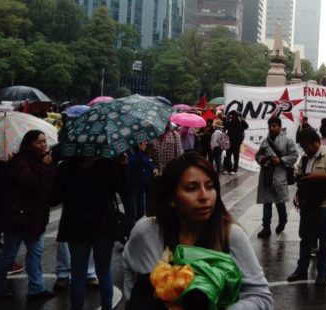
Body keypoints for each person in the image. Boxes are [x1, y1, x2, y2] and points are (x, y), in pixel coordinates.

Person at [122, 152, 273, 308]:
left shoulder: (230, 235)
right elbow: (134, 291)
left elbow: (260, 297)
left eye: (210, 187)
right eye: (191, 188)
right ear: (171, 198)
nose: (204, 196)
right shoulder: (147, 235)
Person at [0, 130, 56, 302]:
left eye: (44, 141)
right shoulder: (19, 162)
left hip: (35, 217)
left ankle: (36, 289)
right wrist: (46, 167)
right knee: (9, 253)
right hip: (18, 216)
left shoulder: (40, 160)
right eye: (39, 142)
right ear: (29, 143)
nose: (44, 144)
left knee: (35, 252)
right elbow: (32, 183)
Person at [52, 155, 129, 310]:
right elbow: (123, 188)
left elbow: (53, 198)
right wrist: (122, 165)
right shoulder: (106, 164)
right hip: (103, 225)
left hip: (75, 225)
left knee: (78, 273)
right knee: (104, 271)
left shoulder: (66, 166)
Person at [287, 128, 326, 286]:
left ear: (316, 142)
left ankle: (323, 273)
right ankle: (301, 269)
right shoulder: (304, 156)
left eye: (307, 146)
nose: (305, 150)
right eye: (303, 147)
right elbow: (299, 172)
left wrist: (315, 176)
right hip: (308, 203)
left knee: (325, 240)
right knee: (305, 238)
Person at [254, 116, 298, 238]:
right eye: (270, 126)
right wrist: (262, 160)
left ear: (279, 127)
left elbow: (294, 156)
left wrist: (280, 160)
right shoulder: (265, 142)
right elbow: (258, 156)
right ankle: (266, 227)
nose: (271, 128)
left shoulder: (288, 141)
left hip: (279, 176)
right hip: (267, 176)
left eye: (274, 126)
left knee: (280, 202)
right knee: (267, 202)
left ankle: (282, 221)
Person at [125, 141, 156, 222]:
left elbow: (149, 161)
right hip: (131, 184)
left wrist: (153, 168)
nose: (146, 143)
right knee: (132, 212)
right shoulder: (128, 151)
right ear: (138, 144)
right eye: (143, 142)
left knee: (141, 210)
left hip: (141, 184)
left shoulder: (142, 152)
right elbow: (132, 164)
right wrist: (140, 152)